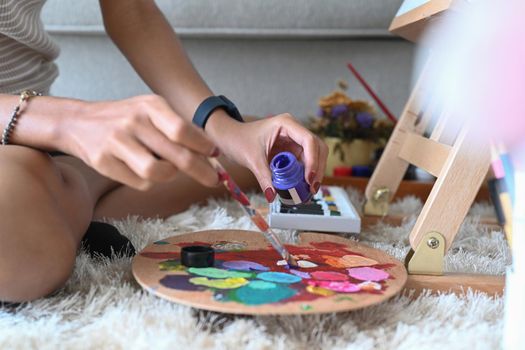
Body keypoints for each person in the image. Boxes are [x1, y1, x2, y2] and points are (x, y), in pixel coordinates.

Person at [0, 0, 328, 303]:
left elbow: (133, 10)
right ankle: (76, 175)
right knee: (19, 248)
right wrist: (67, 122)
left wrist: (222, 127)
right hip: (34, 138)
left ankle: (58, 186)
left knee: (247, 161)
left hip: (29, 138)